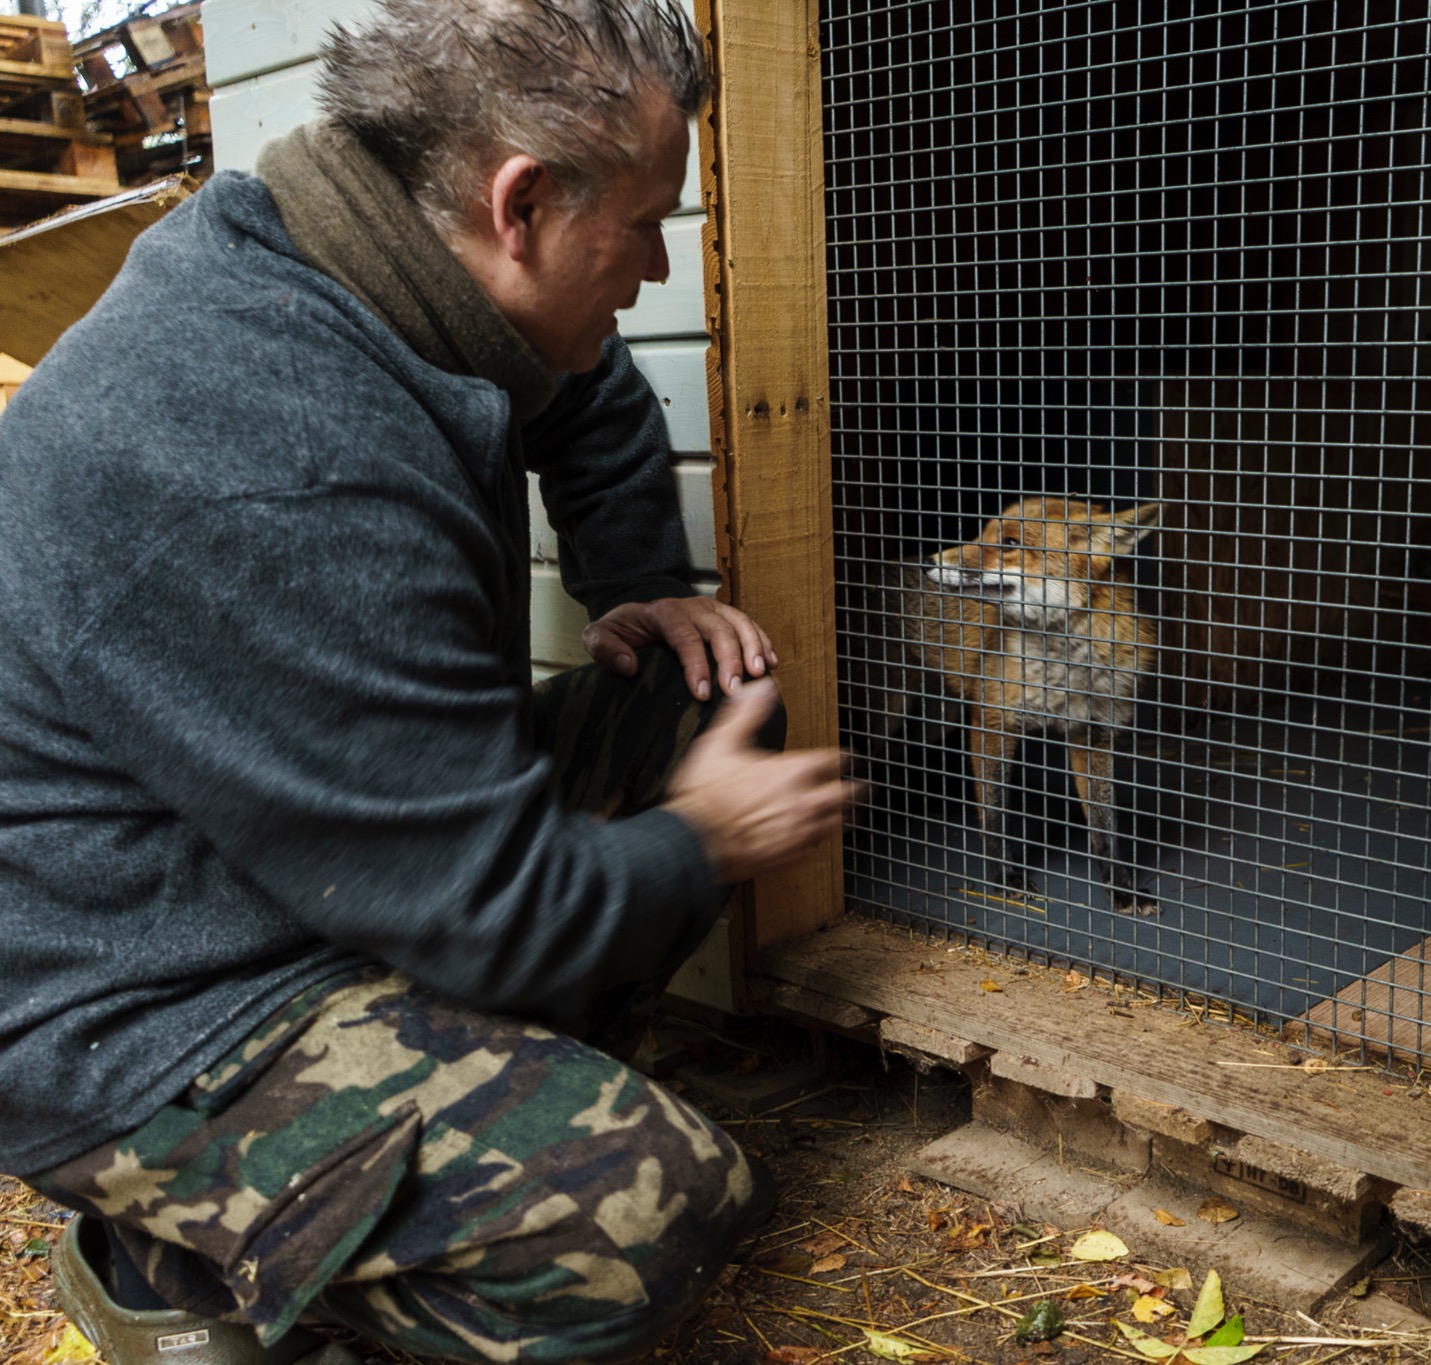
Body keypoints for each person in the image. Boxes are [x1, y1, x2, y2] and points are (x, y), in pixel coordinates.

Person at [0, 1, 859, 1361]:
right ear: (522, 204)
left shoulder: (385, 255)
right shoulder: (280, 460)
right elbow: (501, 909)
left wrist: (635, 579)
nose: (647, 270)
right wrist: (711, 838)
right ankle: (180, 1264)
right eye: (643, 225)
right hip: (146, 993)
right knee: (648, 1210)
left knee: (699, 695)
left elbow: (590, 387)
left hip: (301, 852)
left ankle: (423, 1125)